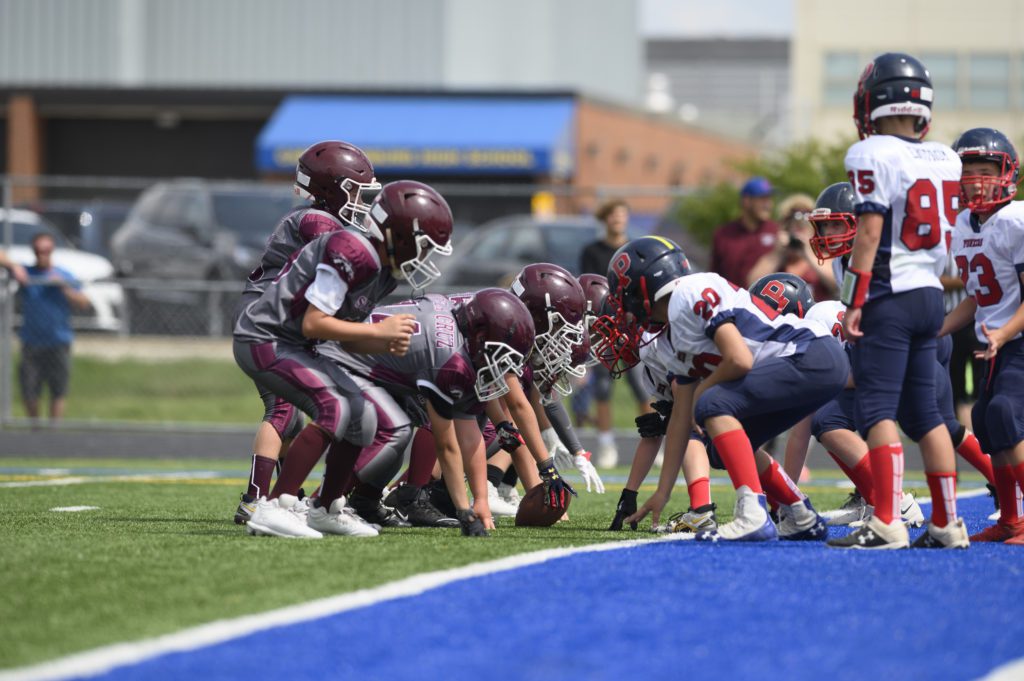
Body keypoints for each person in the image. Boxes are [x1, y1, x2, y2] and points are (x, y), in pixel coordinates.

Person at [600, 236, 842, 542]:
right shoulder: (669, 338)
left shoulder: (690, 291)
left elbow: (738, 360)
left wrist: (703, 397)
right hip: (806, 363)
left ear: (644, 288)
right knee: (718, 445)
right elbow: (679, 421)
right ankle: (799, 513)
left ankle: (752, 514)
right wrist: (662, 492)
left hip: (811, 353)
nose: (625, 307)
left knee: (712, 404)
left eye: (626, 295)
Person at [829, 52, 968, 550]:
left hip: (888, 292)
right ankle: (948, 523)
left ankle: (886, 521)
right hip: (930, 292)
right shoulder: (945, 156)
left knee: (878, 411)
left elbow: (869, 230)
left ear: (873, 100)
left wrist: (852, 299)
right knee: (928, 414)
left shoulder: (871, 153)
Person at [232, 140, 373, 524]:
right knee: (282, 409)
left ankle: (283, 497)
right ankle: (256, 500)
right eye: (356, 191)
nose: (362, 200)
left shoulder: (319, 220)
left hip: (276, 318)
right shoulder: (317, 222)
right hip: (269, 320)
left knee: (292, 415)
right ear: (332, 189)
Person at [941, 127, 1024, 544]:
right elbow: (976, 297)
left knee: (1006, 413)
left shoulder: (1016, 219)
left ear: (1007, 173)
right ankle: (1011, 519)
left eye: (985, 169)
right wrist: (934, 330)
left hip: (1017, 339)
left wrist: (1004, 333)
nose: (975, 178)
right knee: (985, 419)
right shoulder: (961, 224)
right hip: (998, 340)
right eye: (967, 170)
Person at [578, 199, 653, 468]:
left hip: (630, 325)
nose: (618, 219)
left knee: (643, 386)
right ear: (604, 218)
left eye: (622, 214)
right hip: (603, 327)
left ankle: (653, 439)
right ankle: (606, 444)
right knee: (603, 388)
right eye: (613, 215)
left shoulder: (633, 250)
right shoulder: (592, 251)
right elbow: (589, 289)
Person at [17, 233, 91, 424]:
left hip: (59, 340)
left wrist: (63, 287)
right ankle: (35, 430)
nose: (43, 255)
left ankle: (53, 433)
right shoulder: (26, 274)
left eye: (47, 251)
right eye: (39, 251)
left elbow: (83, 302)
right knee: (30, 389)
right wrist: (13, 267)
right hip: (32, 341)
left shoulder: (63, 275)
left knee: (58, 389)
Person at [748, 193, 837, 300]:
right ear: (786, 228)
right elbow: (752, 285)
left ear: (813, 230)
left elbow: (838, 284)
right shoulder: (773, 258)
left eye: (805, 226)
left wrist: (807, 253)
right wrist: (778, 253)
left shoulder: (824, 259)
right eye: (795, 225)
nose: (799, 231)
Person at [709, 176, 779, 287]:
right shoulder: (724, 234)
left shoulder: (777, 232)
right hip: (732, 301)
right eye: (762, 199)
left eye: (769, 199)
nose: (768, 204)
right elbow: (715, 275)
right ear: (746, 201)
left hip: (768, 302)